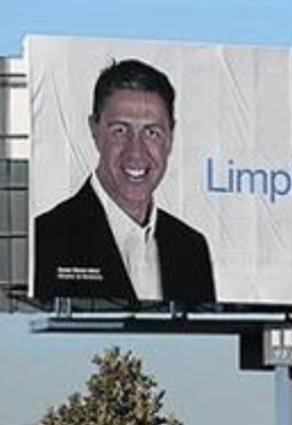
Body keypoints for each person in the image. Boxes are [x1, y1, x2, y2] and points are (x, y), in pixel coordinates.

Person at [33, 59, 215, 305]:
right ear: (94, 130)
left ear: (171, 137)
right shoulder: (46, 239)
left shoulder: (191, 249)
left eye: (152, 133)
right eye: (120, 130)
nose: (136, 152)